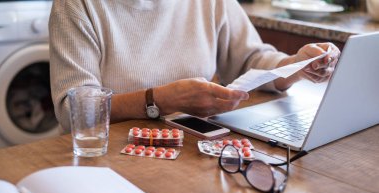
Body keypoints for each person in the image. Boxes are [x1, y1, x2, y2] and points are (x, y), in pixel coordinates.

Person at [49, 0, 340, 133]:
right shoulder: (76, 5)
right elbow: (72, 110)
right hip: (110, 157)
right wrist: (158, 101)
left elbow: (251, 58)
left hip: (188, 147)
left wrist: (294, 65)